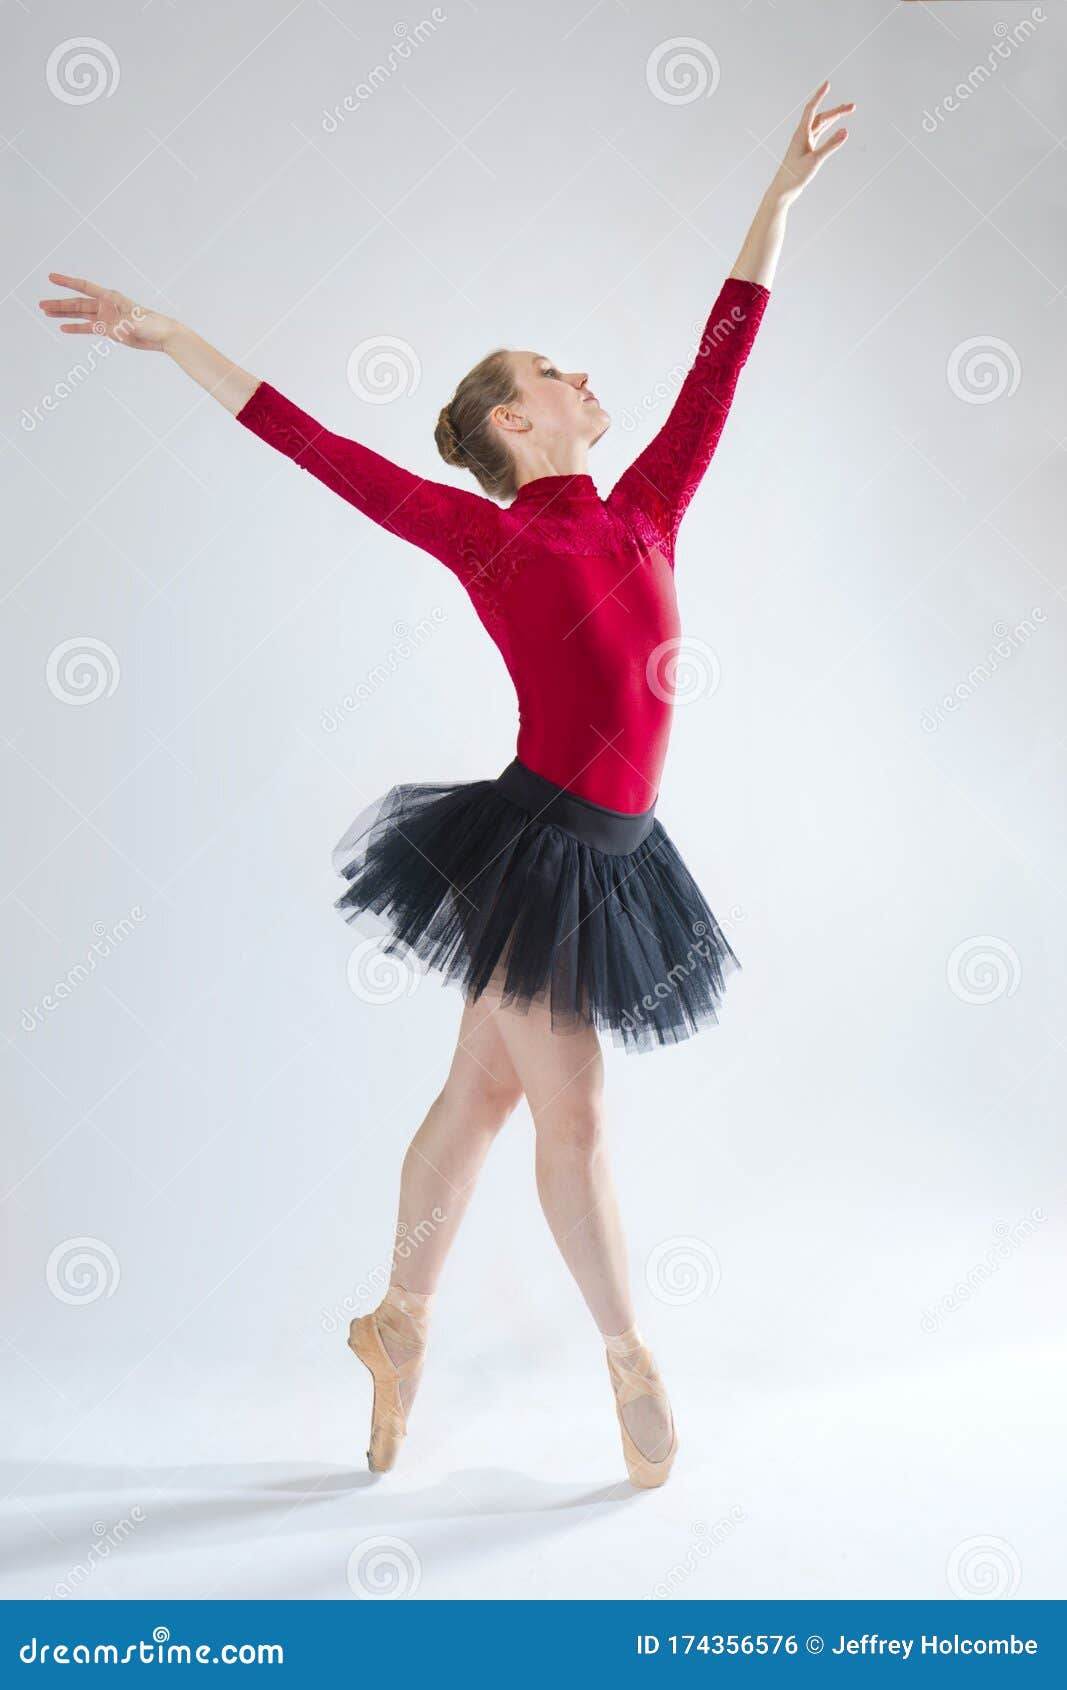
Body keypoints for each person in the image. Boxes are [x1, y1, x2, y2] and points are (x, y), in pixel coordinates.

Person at [40, 82, 854, 1489]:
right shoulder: (487, 541)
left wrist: (777, 195)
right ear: (512, 420)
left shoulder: (648, 502)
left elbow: (724, 356)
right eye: (554, 368)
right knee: (574, 1112)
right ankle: (631, 1359)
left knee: (480, 1098)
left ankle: (395, 1321)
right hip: (539, 849)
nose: (585, 376)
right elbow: (316, 445)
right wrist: (172, 337)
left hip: (617, 853)